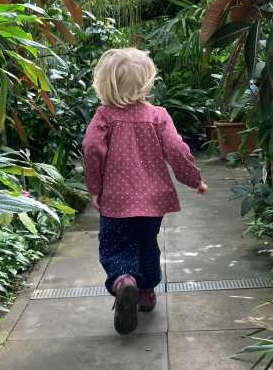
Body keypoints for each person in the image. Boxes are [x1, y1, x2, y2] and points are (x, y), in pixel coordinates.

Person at [82, 48, 208, 335]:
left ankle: (124, 280)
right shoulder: (158, 116)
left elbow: (91, 149)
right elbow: (177, 150)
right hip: (152, 203)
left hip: (115, 201)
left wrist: (95, 188)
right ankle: (147, 292)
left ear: (104, 84)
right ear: (147, 82)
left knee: (115, 247)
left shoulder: (104, 117)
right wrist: (194, 179)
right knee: (146, 244)